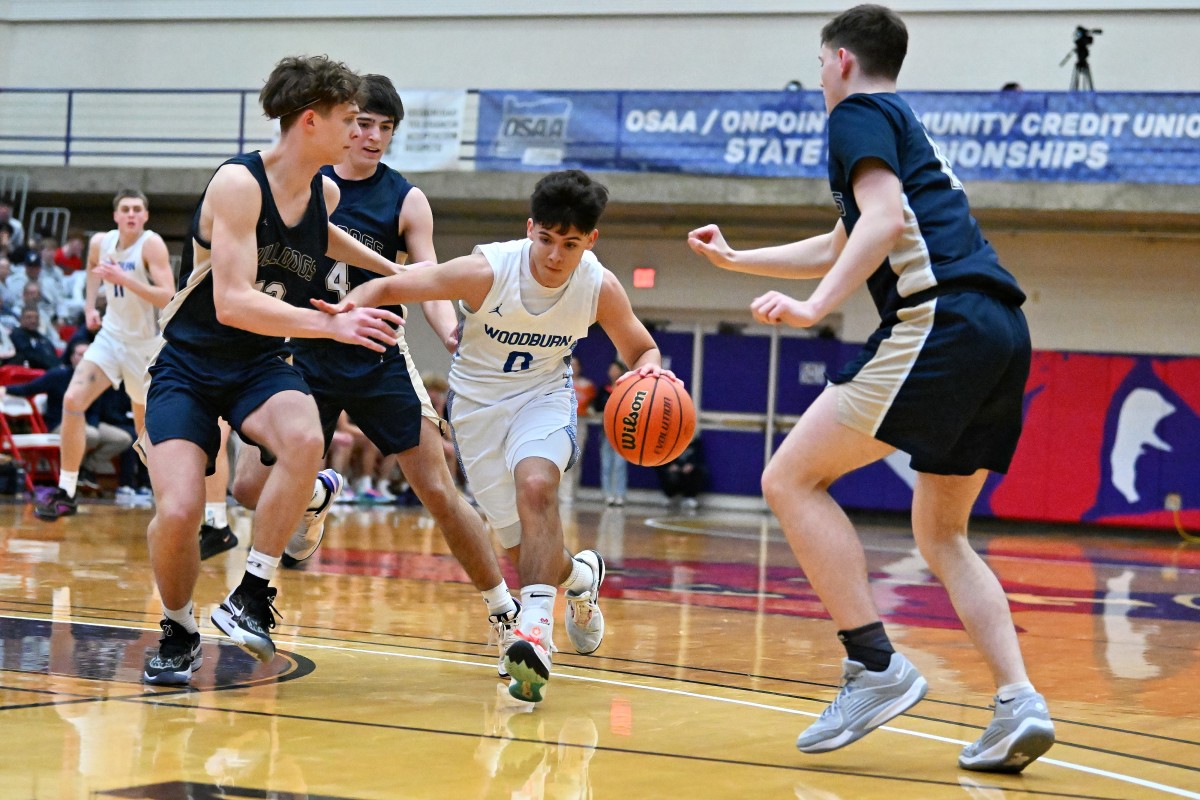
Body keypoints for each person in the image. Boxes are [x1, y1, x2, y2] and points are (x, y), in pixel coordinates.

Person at [686, 4, 1054, 773]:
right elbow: (846, 236)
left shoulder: (855, 114)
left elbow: (880, 224)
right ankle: (1019, 701)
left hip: (939, 321)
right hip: (1001, 328)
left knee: (790, 478)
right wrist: (739, 260)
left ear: (843, 59)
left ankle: (874, 663)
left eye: (820, 62)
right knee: (942, 534)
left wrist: (819, 308)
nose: (820, 76)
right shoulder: (901, 123)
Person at [320, 168, 679, 704]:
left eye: (571, 243)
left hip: (543, 399)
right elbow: (400, 282)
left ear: (591, 241)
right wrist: (355, 303)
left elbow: (641, 348)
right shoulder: (489, 270)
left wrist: (651, 372)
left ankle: (534, 632)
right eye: (547, 239)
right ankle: (580, 577)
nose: (555, 255)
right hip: (478, 409)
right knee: (526, 548)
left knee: (537, 487)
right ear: (530, 228)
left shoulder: (598, 286)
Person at [227, 75, 520, 678]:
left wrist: (446, 330)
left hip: (378, 355)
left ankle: (504, 612)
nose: (372, 136)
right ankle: (314, 494)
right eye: (362, 123)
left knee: (438, 490)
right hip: (304, 351)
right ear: (339, 122)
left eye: (384, 128)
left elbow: (431, 276)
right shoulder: (308, 186)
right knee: (248, 489)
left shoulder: (405, 199)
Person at [138, 55, 403, 686]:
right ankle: (178, 626)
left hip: (259, 361)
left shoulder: (325, 190)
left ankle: (251, 595)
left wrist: (398, 276)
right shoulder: (238, 183)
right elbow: (231, 301)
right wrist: (332, 322)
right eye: (347, 119)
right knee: (178, 512)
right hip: (190, 363)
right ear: (311, 121)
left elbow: (325, 238)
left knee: (307, 437)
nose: (355, 132)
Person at [34, 189, 175, 522]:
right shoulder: (101, 241)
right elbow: (92, 268)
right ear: (115, 216)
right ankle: (67, 491)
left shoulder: (151, 245)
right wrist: (88, 307)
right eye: (125, 209)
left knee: (145, 433)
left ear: (145, 216)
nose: (131, 214)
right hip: (110, 337)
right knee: (72, 400)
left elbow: (168, 296)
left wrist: (124, 279)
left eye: (137, 209)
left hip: (143, 344)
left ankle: (168, 498)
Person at [1, 341, 133, 477]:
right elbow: (29, 388)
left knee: (123, 439)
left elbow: (95, 410)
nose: (84, 357)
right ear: (72, 357)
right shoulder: (57, 375)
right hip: (60, 423)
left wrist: (92, 424)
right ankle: (74, 473)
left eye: (88, 354)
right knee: (91, 435)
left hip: (87, 423)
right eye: (80, 354)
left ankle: (87, 467)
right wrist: (6, 389)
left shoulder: (94, 378)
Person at [558, 356, 595, 504]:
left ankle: (569, 493)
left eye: (576, 365)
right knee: (560, 459)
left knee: (575, 460)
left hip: (580, 423)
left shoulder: (587, 386)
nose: (573, 367)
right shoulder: (560, 384)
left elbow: (593, 405)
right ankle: (558, 493)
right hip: (561, 423)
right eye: (571, 364)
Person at [592, 360, 628, 506]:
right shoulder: (604, 390)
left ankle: (619, 495)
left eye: (615, 369)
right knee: (606, 465)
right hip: (606, 432)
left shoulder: (626, 389)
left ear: (621, 371)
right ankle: (607, 495)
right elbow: (595, 407)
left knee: (620, 465)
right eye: (610, 369)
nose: (612, 372)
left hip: (622, 432)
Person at [656, 438, 707, 511]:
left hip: (687, 472)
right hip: (674, 469)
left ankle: (689, 497)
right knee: (668, 473)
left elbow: (699, 460)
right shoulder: (670, 442)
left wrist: (691, 465)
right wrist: (670, 465)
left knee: (698, 472)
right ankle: (668, 495)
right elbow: (662, 460)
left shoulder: (696, 444)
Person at [7, 305, 60, 370]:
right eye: (29, 317)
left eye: (36, 318)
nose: (33, 321)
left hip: (46, 371)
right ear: (21, 319)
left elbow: (52, 354)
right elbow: (30, 355)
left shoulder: (43, 339)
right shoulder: (16, 335)